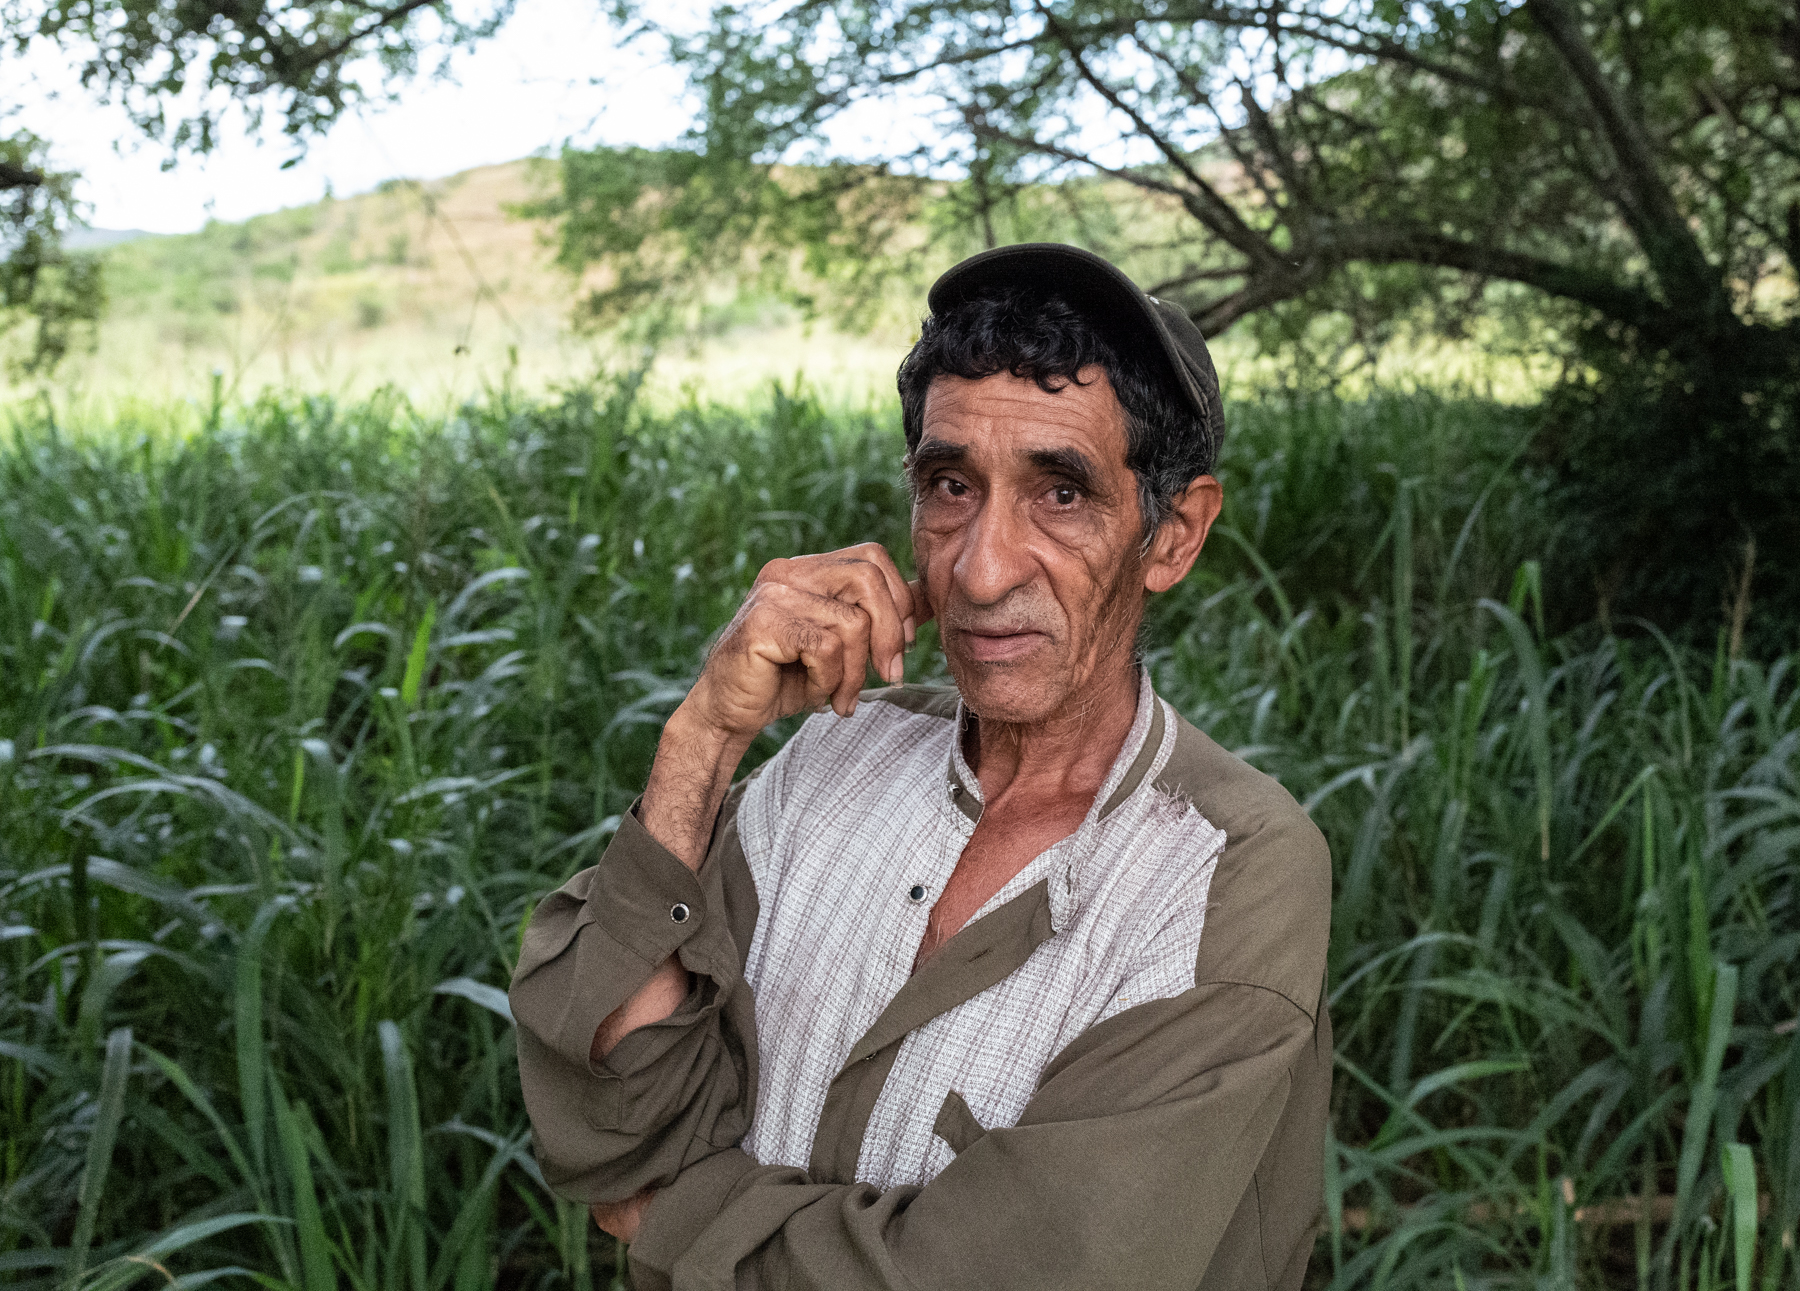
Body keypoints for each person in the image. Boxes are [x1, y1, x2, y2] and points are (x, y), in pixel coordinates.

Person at [509, 244, 1333, 1290]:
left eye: (1061, 493)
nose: (982, 568)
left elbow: (1016, 1273)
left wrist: (675, 1220)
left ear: (1170, 536)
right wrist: (703, 739)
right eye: (950, 485)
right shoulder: (831, 758)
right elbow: (612, 1131)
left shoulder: (1226, 873)